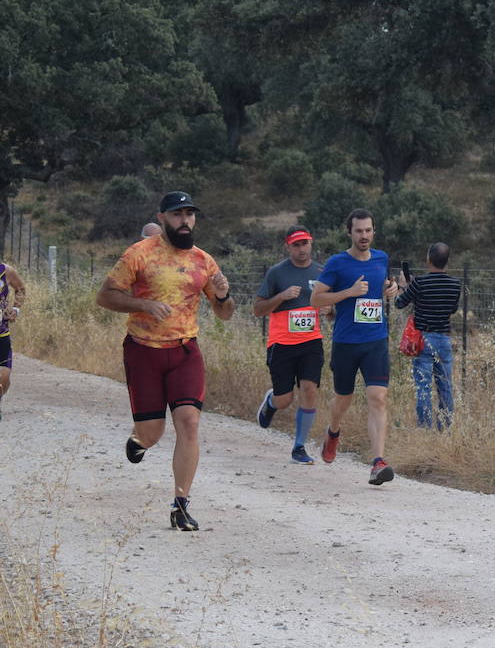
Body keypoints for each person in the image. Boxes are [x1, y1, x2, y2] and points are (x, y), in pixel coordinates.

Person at [96, 191, 235, 531]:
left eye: (189, 215)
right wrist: (144, 305)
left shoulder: (204, 261)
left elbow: (225, 314)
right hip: (143, 350)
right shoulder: (139, 255)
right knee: (152, 432)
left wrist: (223, 295)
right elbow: (106, 296)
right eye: (177, 215)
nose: (184, 221)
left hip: (185, 351)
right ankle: (140, 439)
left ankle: (181, 504)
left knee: (188, 422)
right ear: (162, 218)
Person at [310, 208, 400, 485]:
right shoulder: (338, 263)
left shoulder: (381, 258)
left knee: (378, 398)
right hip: (346, 342)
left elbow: (381, 285)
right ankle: (333, 432)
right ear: (349, 232)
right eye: (359, 231)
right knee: (343, 400)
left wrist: (390, 288)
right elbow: (316, 300)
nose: (364, 235)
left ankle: (378, 462)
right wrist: (347, 293)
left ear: (374, 231)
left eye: (368, 230)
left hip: (375, 341)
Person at [253, 226, 326, 463]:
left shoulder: (321, 272)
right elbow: (258, 309)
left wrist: (329, 310)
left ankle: (299, 447)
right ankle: (272, 401)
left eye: (305, 243)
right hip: (281, 343)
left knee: (310, 390)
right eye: (296, 245)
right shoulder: (277, 273)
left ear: (311, 244)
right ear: (288, 247)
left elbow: (331, 310)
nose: (301, 249)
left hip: (311, 341)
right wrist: (281, 297)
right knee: (285, 400)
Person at [394, 242, 463, 429]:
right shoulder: (455, 284)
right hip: (444, 339)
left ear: (428, 260)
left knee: (423, 387)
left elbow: (399, 303)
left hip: (423, 339)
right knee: (445, 386)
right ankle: (445, 428)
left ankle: (425, 428)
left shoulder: (419, 283)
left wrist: (402, 287)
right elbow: (453, 309)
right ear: (447, 262)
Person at [0, 261, 27, 421]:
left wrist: (16, 309)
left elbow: (21, 289)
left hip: (1, 333)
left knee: (4, 377)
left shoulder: (6, 271)